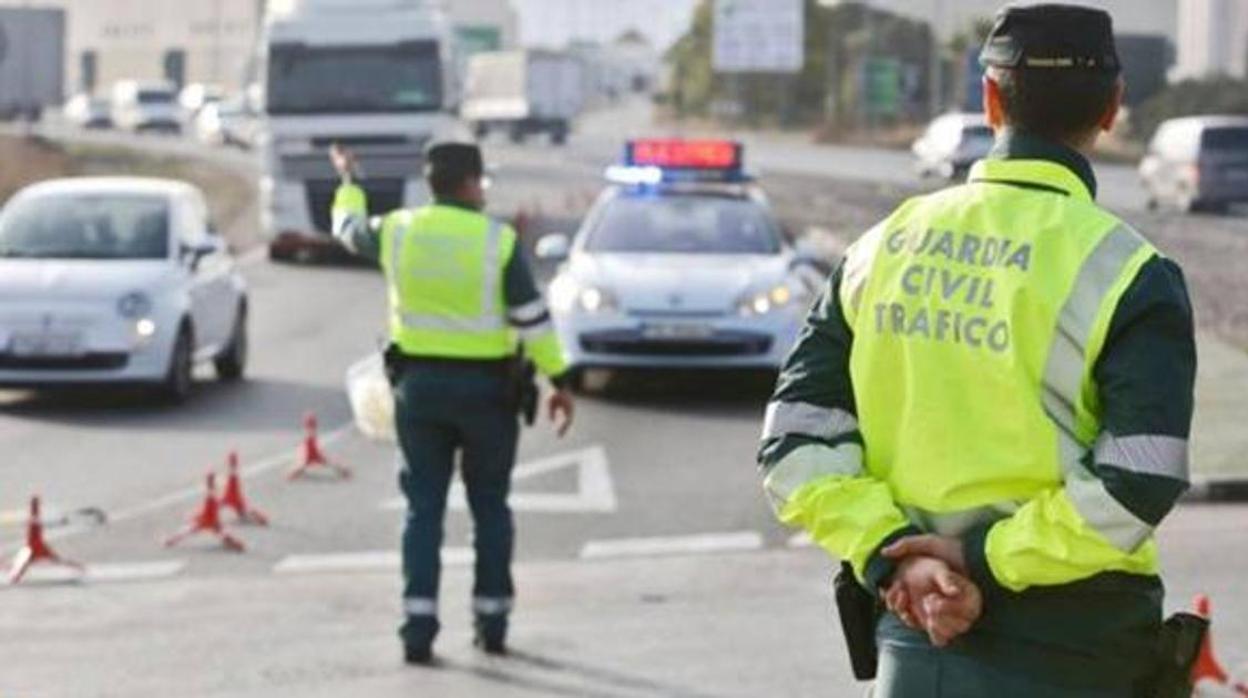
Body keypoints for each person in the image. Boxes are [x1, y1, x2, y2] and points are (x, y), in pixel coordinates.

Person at [757, 5, 1196, 696]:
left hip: (916, 642)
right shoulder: (1131, 273)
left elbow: (794, 443)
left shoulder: (879, 248)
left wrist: (892, 557)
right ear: (1113, 108)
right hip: (1080, 652)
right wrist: (982, 561)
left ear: (990, 98)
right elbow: (1138, 482)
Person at [329, 141, 575, 664]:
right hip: (489, 395)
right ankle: (492, 620)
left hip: (417, 391)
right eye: (481, 182)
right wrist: (560, 380)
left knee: (423, 510)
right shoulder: (497, 241)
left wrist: (349, 183)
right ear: (470, 184)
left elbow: (348, 232)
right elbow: (533, 321)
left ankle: (417, 627)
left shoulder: (398, 229)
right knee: (490, 507)